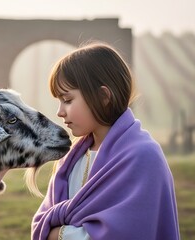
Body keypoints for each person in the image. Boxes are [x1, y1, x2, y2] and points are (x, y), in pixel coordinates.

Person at [31, 41, 180, 240]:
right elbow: (43, 220)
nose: (60, 112)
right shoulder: (69, 159)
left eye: (67, 100)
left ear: (103, 96)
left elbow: (130, 231)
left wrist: (59, 234)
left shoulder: (143, 157)